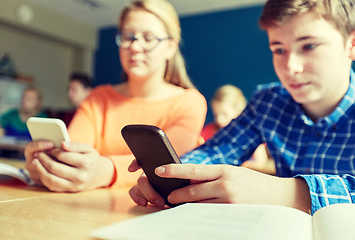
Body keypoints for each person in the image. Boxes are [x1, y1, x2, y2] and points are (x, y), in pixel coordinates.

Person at [129, 0, 355, 215]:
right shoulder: (268, 102)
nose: (291, 67)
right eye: (278, 50)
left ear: (351, 44)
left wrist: (287, 192)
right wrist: (177, 175)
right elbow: (218, 150)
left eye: (309, 46)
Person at [24, 0, 207, 192]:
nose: (135, 47)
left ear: (170, 46)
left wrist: (107, 171)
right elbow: (72, 154)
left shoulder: (190, 102)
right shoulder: (98, 99)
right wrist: (49, 166)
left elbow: (169, 165)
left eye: (149, 38)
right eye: (128, 37)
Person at [201, 84, 275, 174]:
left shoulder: (248, 134)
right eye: (216, 114)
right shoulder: (209, 130)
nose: (219, 120)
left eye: (225, 114)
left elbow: (260, 162)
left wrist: (239, 166)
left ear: (238, 111)